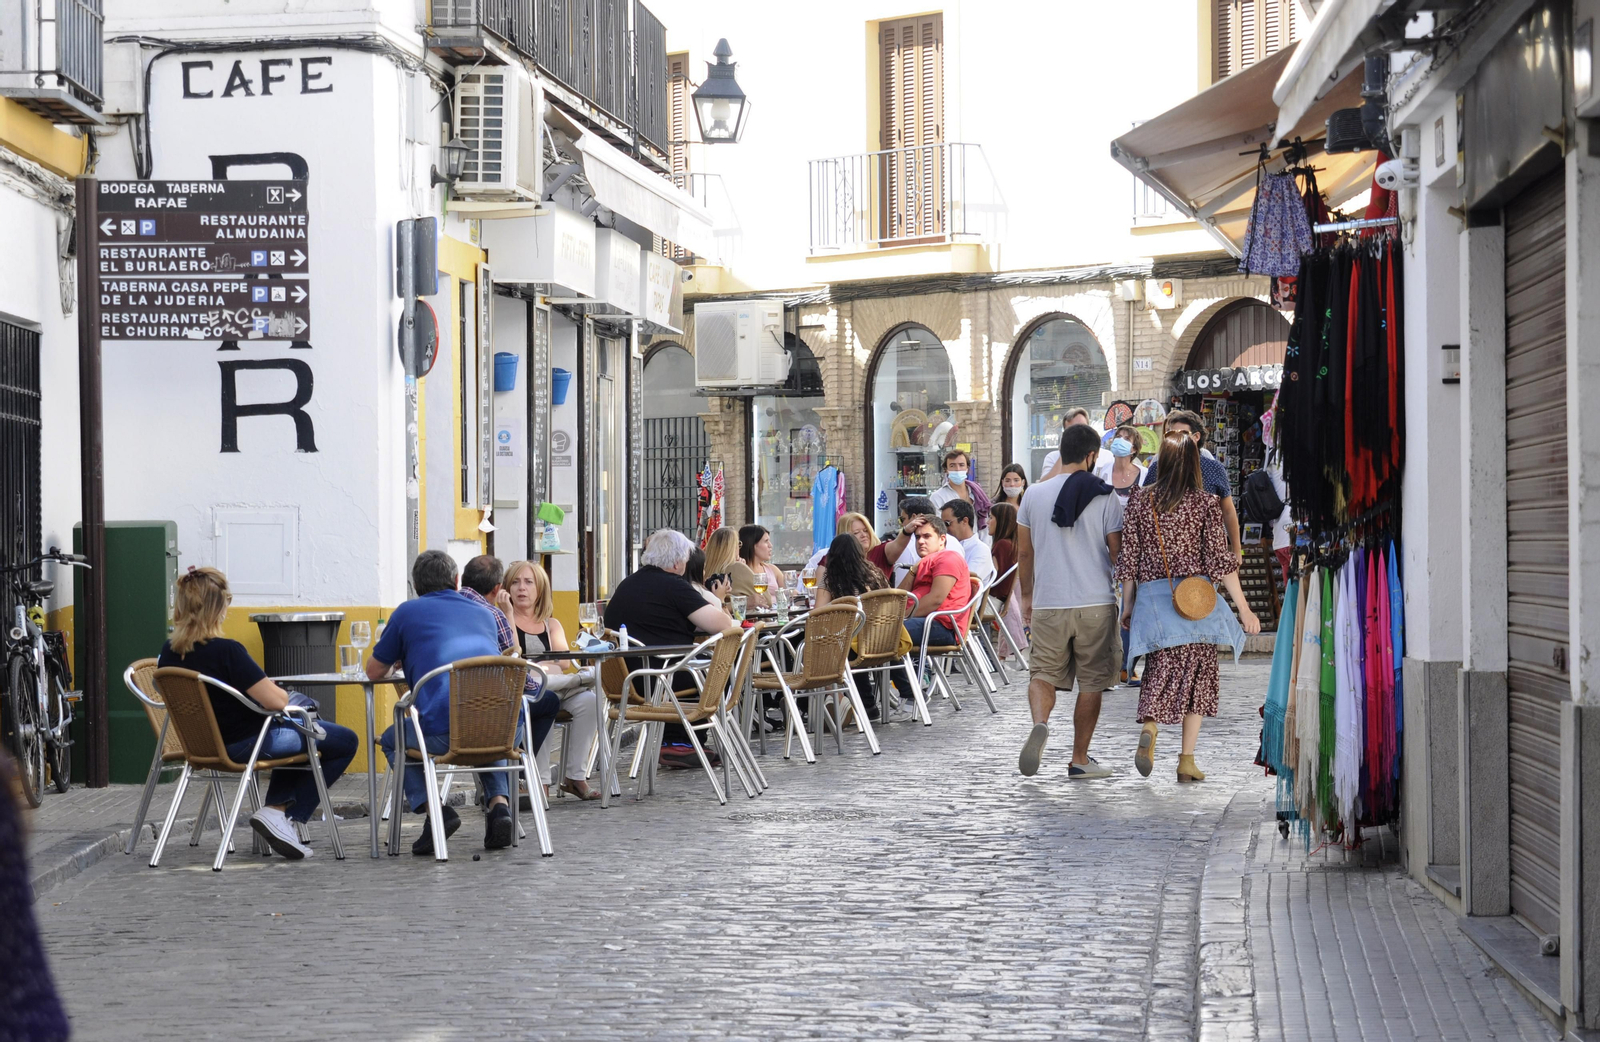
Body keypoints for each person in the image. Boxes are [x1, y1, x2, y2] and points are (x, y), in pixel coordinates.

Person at [157, 567, 357, 860]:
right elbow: (276, 701)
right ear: (218, 608)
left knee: (299, 731)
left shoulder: (169, 653)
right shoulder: (227, 651)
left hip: (202, 745)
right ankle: (280, 813)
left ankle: (276, 813)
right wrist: (278, 693)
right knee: (340, 739)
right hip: (245, 744)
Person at [1118, 432, 1261, 782]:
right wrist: (1244, 609)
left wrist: (1127, 602)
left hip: (1153, 600)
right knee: (1199, 677)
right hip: (1194, 601)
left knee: (1158, 669)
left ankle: (1151, 725)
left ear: (1161, 462)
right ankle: (1186, 759)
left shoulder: (1140, 501)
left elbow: (1129, 558)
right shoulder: (1205, 503)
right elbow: (1219, 561)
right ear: (1195, 464)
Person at [369, 550, 520, 855]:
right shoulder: (487, 614)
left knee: (391, 738)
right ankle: (499, 806)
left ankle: (435, 812)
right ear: (456, 580)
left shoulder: (406, 613)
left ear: (415, 585)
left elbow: (373, 672)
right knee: (483, 722)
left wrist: (403, 655)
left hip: (441, 735)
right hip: (507, 729)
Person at [1014, 424, 1124, 780]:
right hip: (1096, 602)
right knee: (1092, 681)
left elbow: (1024, 553)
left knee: (1043, 673)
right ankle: (1079, 758)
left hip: (1049, 602)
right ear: (1092, 456)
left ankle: (1040, 723)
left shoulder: (1032, 495)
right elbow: (1116, 551)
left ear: (1061, 452)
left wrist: (1028, 595)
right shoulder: (1105, 496)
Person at [603, 530, 738, 770]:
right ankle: (681, 742)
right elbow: (723, 625)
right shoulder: (674, 586)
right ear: (677, 563)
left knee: (691, 667)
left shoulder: (628, 583)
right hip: (660, 678)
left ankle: (678, 741)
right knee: (714, 672)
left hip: (624, 679)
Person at [503, 559, 602, 801]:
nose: (521, 588)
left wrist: (538, 666)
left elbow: (564, 663)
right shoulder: (503, 620)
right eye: (515, 583)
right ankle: (542, 781)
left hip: (557, 685)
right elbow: (514, 654)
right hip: (524, 694)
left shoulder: (551, 624)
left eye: (528, 582)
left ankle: (574, 776)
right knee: (544, 701)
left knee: (590, 700)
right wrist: (507, 613)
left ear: (540, 590)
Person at [1140, 409, 1242, 561]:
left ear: (1196, 437)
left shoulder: (1212, 468)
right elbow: (1144, 511)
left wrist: (1236, 551)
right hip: (1165, 556)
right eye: (1171, 434)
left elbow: (1228, 510)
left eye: (1182, 433)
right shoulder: (1158, 468)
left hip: (1206, 555)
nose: (1176, 438)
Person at [890, 517, 972, 704]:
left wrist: (900, 617)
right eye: (917, 537)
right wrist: (912, 571)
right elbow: (900, 598)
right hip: (922, 622)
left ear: (942, 539)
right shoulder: (924, 563)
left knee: (886, 634)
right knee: (861, 638)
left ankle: (911, 696)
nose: (920, 541)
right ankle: (864, 705)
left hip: (941, 625)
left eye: (927, 536)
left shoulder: (948, 558)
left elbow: (936, 600)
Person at [987, 502, 1028, 660]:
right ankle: (1005, 654)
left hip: (993, 600)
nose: (987, 522)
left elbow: (995, 579)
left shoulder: (1002, 545)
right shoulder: (1011, 544)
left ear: (1001, 521)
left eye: (991, 518)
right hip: (1004, 599)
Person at [928, 449, 994, 539]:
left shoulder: (977, 494)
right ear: (946, 470)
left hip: (977, 546)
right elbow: (938, 528)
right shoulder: (938, 497)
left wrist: (985, 548)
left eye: (961, 465)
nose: (957, 469)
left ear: (967, 468)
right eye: (952, 465)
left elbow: (984, 525)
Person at [814, 531, 889, 609]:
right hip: (877, 620)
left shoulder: (830, 578)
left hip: (846, 620)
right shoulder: (875, 574)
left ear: (832, 555)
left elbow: (818, 612)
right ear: (859, 551)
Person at [873, 495, 936, 586]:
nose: (902, 524)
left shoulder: (907, 544)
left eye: (902, 519)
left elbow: (900, 581)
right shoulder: (953, 541)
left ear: (915, 517)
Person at [1038, 407, 1113, 479]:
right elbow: (1045, 485)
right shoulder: (1052, 458)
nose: (1079, 435)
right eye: (1072, 431)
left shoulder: (1107, 456)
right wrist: (1063, 454)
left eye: (1082, 428)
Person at [939, 498, 995, 586]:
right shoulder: (944, 545)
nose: (944, 529)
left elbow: (966, 582)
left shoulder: (980, 550)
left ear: (965, 521)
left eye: (947, 523)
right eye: (941, 525)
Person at [730, 524, 785, 608]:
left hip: (777, 615)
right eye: (766, 541)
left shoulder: (772, 569)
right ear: (753, 544)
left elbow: (788, 593)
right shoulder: (739, 571)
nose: (770, 545)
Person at [1096, 425, 1148, 502]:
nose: (1120, 440)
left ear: (1134, 449)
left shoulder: (1144, 474)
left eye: (1127, 439)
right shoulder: (1101, 472)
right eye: (1118, 436)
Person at [702, 528, 740, 597]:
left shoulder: (701, 571)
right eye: (738, 544)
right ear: (733, 548)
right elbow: (765, 598)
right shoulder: (738, 568)